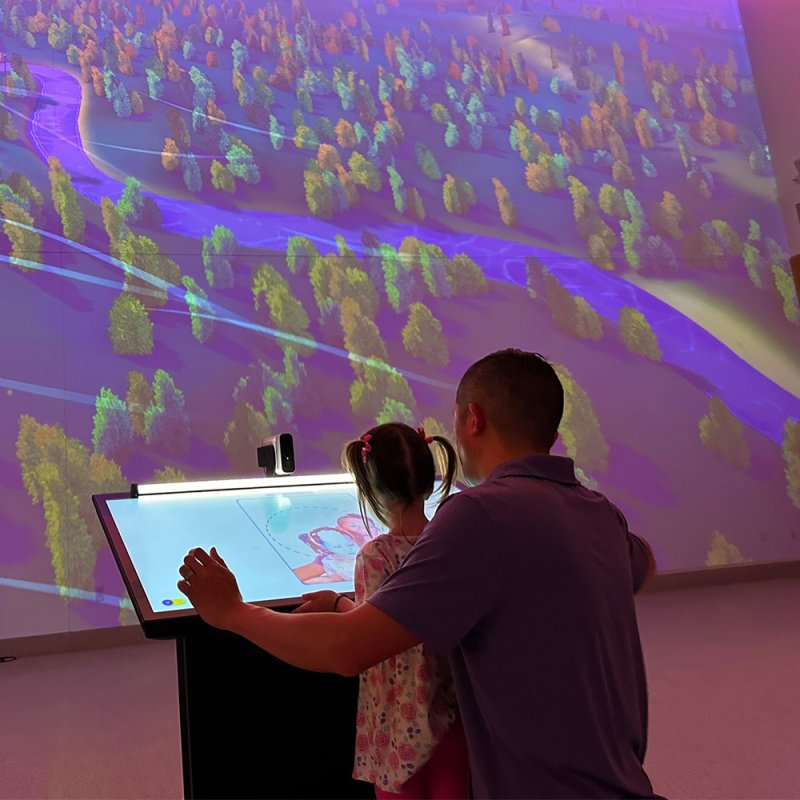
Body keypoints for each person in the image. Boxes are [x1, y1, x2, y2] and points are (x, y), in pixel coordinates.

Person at [178, 349, 661, 799]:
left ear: (473, 418)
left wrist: (235, 614)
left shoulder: (480, 515)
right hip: (623, 782)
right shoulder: (601, 513)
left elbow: (347, 649)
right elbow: (642, 561)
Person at [294, 422, 470, 798]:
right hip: (451, 719)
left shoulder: (375, 556)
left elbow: (369, 630)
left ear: (370, 488)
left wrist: (335, 604)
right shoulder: (451, 545)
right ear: (428, 479)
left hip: (398, 728)